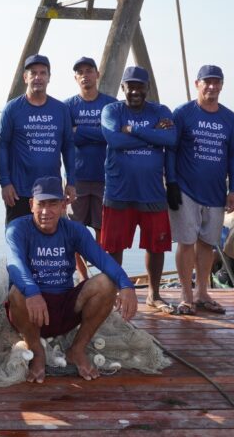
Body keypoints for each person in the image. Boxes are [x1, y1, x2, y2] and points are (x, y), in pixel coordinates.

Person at [5, 177, 137, 383]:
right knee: (16, 291)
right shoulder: (17, 228)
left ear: (64, 205)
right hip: (30, 311)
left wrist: (126, 285)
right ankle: (37, 351)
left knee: (106, 282)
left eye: (53, 204)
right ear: (31, 205)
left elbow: (103, 259)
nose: (46, 212)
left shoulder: (75, 230)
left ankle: (77, 349)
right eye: (41, 204)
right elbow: (15, 264)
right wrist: (32, 292)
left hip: (65, 306)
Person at [99, 66, 176, 313]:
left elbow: (171, 139)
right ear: (123, 88)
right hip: (118, 191)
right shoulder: (112, 110)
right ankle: (110, 295)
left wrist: (133, 130)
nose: (134, 91)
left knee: (156, 246)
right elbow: (115, 140)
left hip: (152, 192)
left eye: (139, 86)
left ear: (147, 88)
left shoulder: (161, 110)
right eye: (130, 86)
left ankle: (154, 294)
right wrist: (154, 134)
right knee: (113, 247)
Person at [168, 65, 234, 315]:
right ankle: (186, 295)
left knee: (208, 244)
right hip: (186, 190)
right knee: (187, 242)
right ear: (197, 84)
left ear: (222, 85)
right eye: (206, 82)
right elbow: (171, 149)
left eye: (216, 82)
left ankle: (202, 293)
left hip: (216, 192)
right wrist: (171, 183)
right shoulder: (183, 113)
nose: (212, 86)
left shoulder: (229, 117)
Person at [0, 54, 76, 224]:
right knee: (18, 244)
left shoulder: (61, 109)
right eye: (33, 73)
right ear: (25, 77)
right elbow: (2, 146)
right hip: (19, 191)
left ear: (49, 78)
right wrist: (5, 183)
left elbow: (69, 147)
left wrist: (71, 182)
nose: (38, 77)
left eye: (43, 73)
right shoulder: (12, 109)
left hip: (51, 191)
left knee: (49, 244)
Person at [64, 56, 117, 280]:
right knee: (74, 231)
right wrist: (98, 134)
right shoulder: (67, 106)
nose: (85, 75)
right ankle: (83, 277)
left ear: (97, 74)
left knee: (103, 232)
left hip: (107, 179)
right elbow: (67, 138)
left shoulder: (111, 104)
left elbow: (112, 136)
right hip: (77, 180)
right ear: (76, 78)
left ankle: (104, 277)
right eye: (80, 72)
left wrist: (81, 132)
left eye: (89, 70)